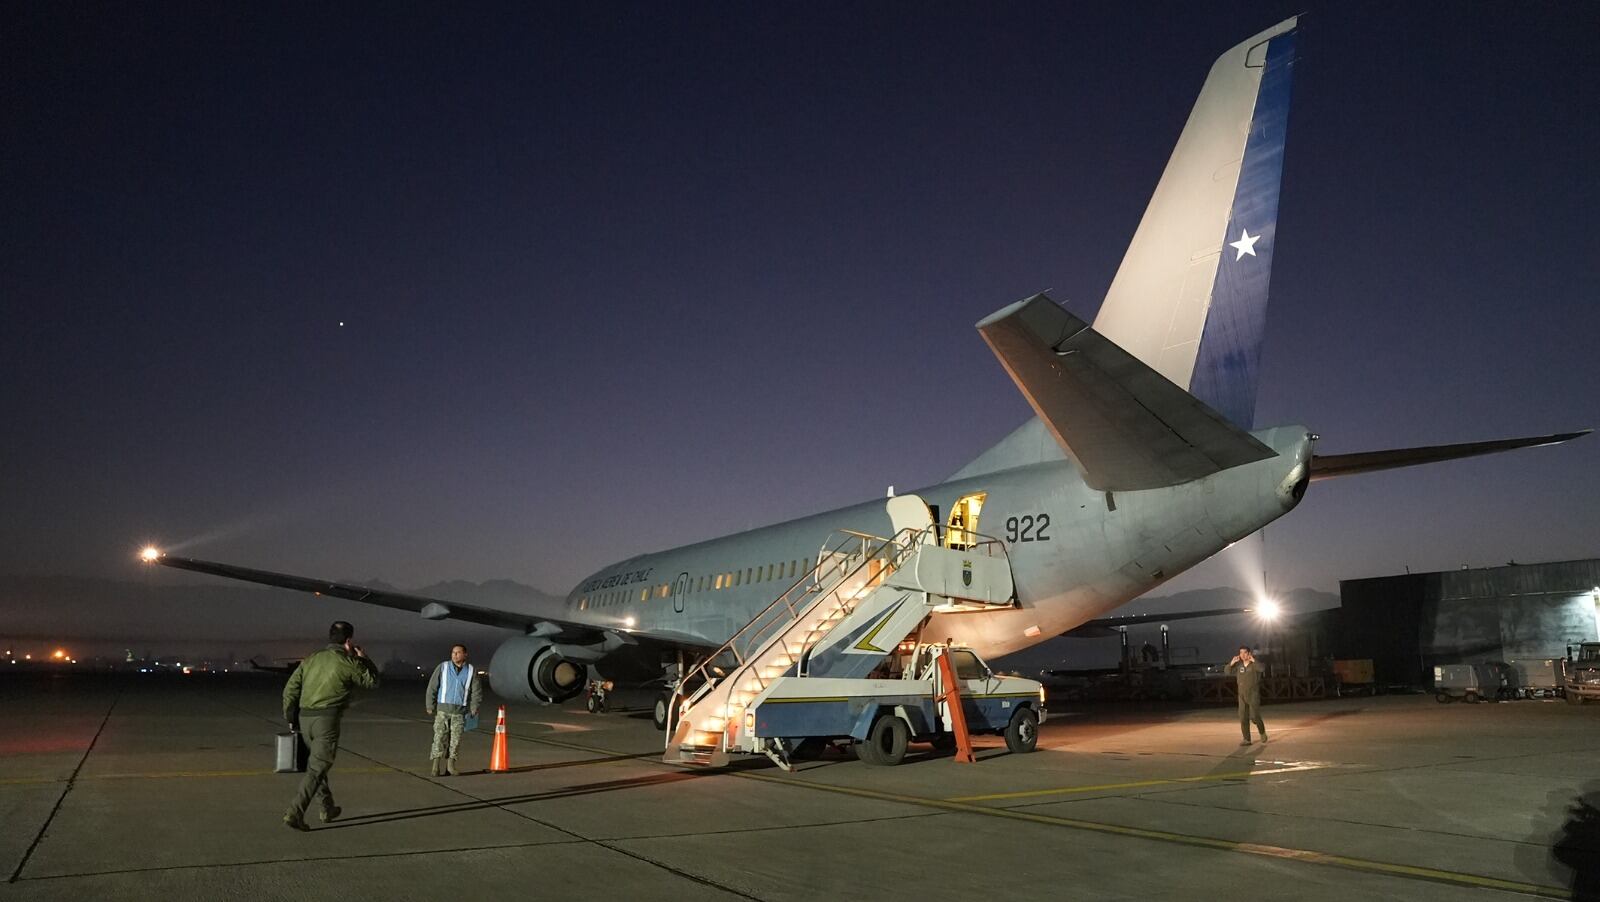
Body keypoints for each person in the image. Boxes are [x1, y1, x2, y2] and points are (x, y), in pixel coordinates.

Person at [281, 620, 380, 831]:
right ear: (349, 641)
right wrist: (364, 659)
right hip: (326, 720)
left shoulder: (311, 659)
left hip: (305, 719)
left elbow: (290, 688)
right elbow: (372, 682)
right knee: (317, 768)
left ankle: (327, 808)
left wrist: (291, 715)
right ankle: (295, 812)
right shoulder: (346, 661)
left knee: (316, 765)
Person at [425, 643, 482, 776]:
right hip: (443, 710)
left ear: (465, 654)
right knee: (439, 737)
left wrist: (474, 707)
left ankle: (450, 765)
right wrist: (430, 705)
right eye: (453, 652)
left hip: (459, 712)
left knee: (455, 740)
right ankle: (436, 766)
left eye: (458, 652)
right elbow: (432, 687)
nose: (455, 655)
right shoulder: (443, 667)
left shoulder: (471, 670)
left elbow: (476, 691)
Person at [1226, 645, 1267, 745]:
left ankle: (1262, 732)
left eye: (1245, 652)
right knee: (1243, 717)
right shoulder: (1239, 666)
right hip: (1242, 695)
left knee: (1255, 717)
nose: (1243, 655)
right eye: (1241, 653)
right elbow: (1227, 672)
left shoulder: (1254, 665)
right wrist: (1231, 663)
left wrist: (1254, 660)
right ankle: (1246, 739)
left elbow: (1262, 669)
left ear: (1249, 653)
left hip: (1253, 694)